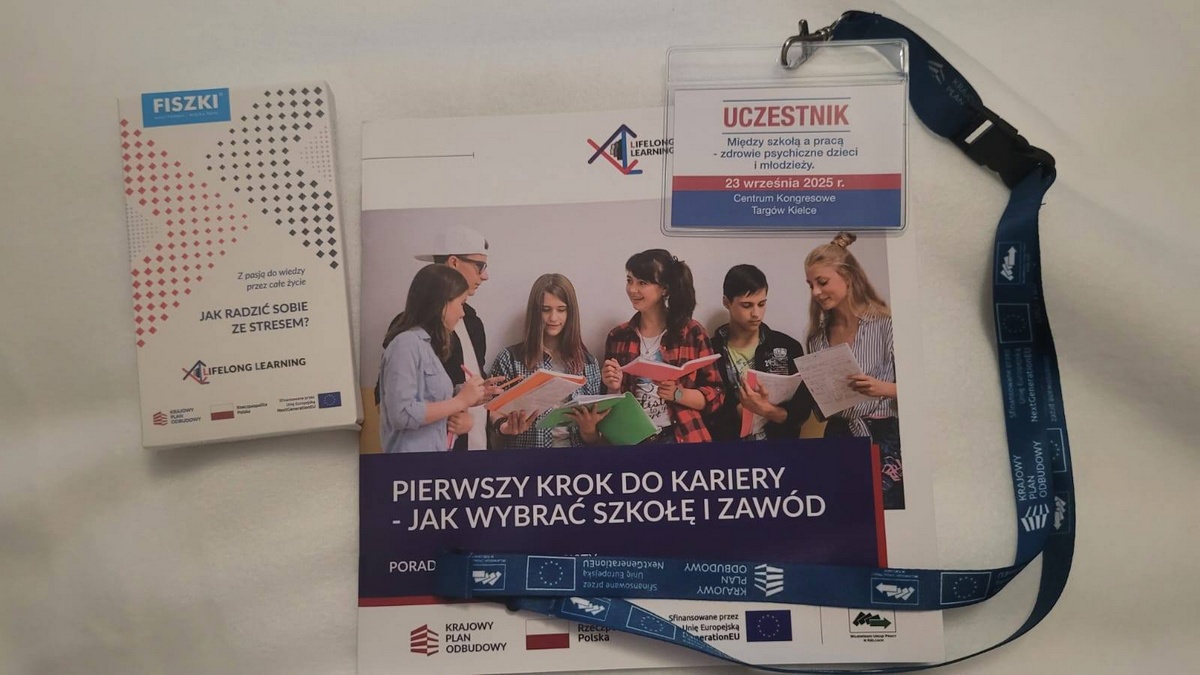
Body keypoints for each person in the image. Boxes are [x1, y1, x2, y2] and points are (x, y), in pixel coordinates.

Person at [805, 232, 904, 509]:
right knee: (843, 515)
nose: (815, 292)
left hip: (885, 438)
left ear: (848, 277)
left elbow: (924, 390)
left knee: (884, 513)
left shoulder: (886, 324)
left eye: (822, 282)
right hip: (838, 438)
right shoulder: (817, 337)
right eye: (810, 285)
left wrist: (883, 388)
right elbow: (822, 409)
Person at [382, 225, 499, 450]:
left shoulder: (473, 323)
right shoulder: (407, 339)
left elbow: (437, 393)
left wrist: (477, 393)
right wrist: (458, 406)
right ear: (454, 263)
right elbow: (393, 407)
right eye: (480, 266)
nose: (485, 276)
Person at [602, 249, 723, 444]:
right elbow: (607, 406)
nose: (632, 289)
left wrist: (678, 394)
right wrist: (612, 388)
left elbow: (717, 395)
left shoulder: (692, 332)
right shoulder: (618, 336)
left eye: (642, 283)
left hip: (681, 436)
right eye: (630, 280)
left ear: (665, 289)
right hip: (633, 438)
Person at [488, 273, 608, 448]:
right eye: (546, 309)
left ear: (570, 313)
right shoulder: (510, 358)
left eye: (561, 309)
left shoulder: (588, 363)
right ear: (536, 312)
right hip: (527, 458)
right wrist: (505, 426)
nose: (553, 318)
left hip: (575, 458)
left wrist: (589, 430)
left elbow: (593, 437)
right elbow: (492, 410)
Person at [707, 264, 813, 442]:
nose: (756, 313)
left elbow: (802, 410)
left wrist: (767, 410)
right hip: (728, 451)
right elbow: (707, 412)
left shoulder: (787, 346)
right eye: (746, 305)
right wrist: (738, 412)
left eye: (762, 304)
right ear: (727, 302)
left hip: (779, 449)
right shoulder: (710, 351)